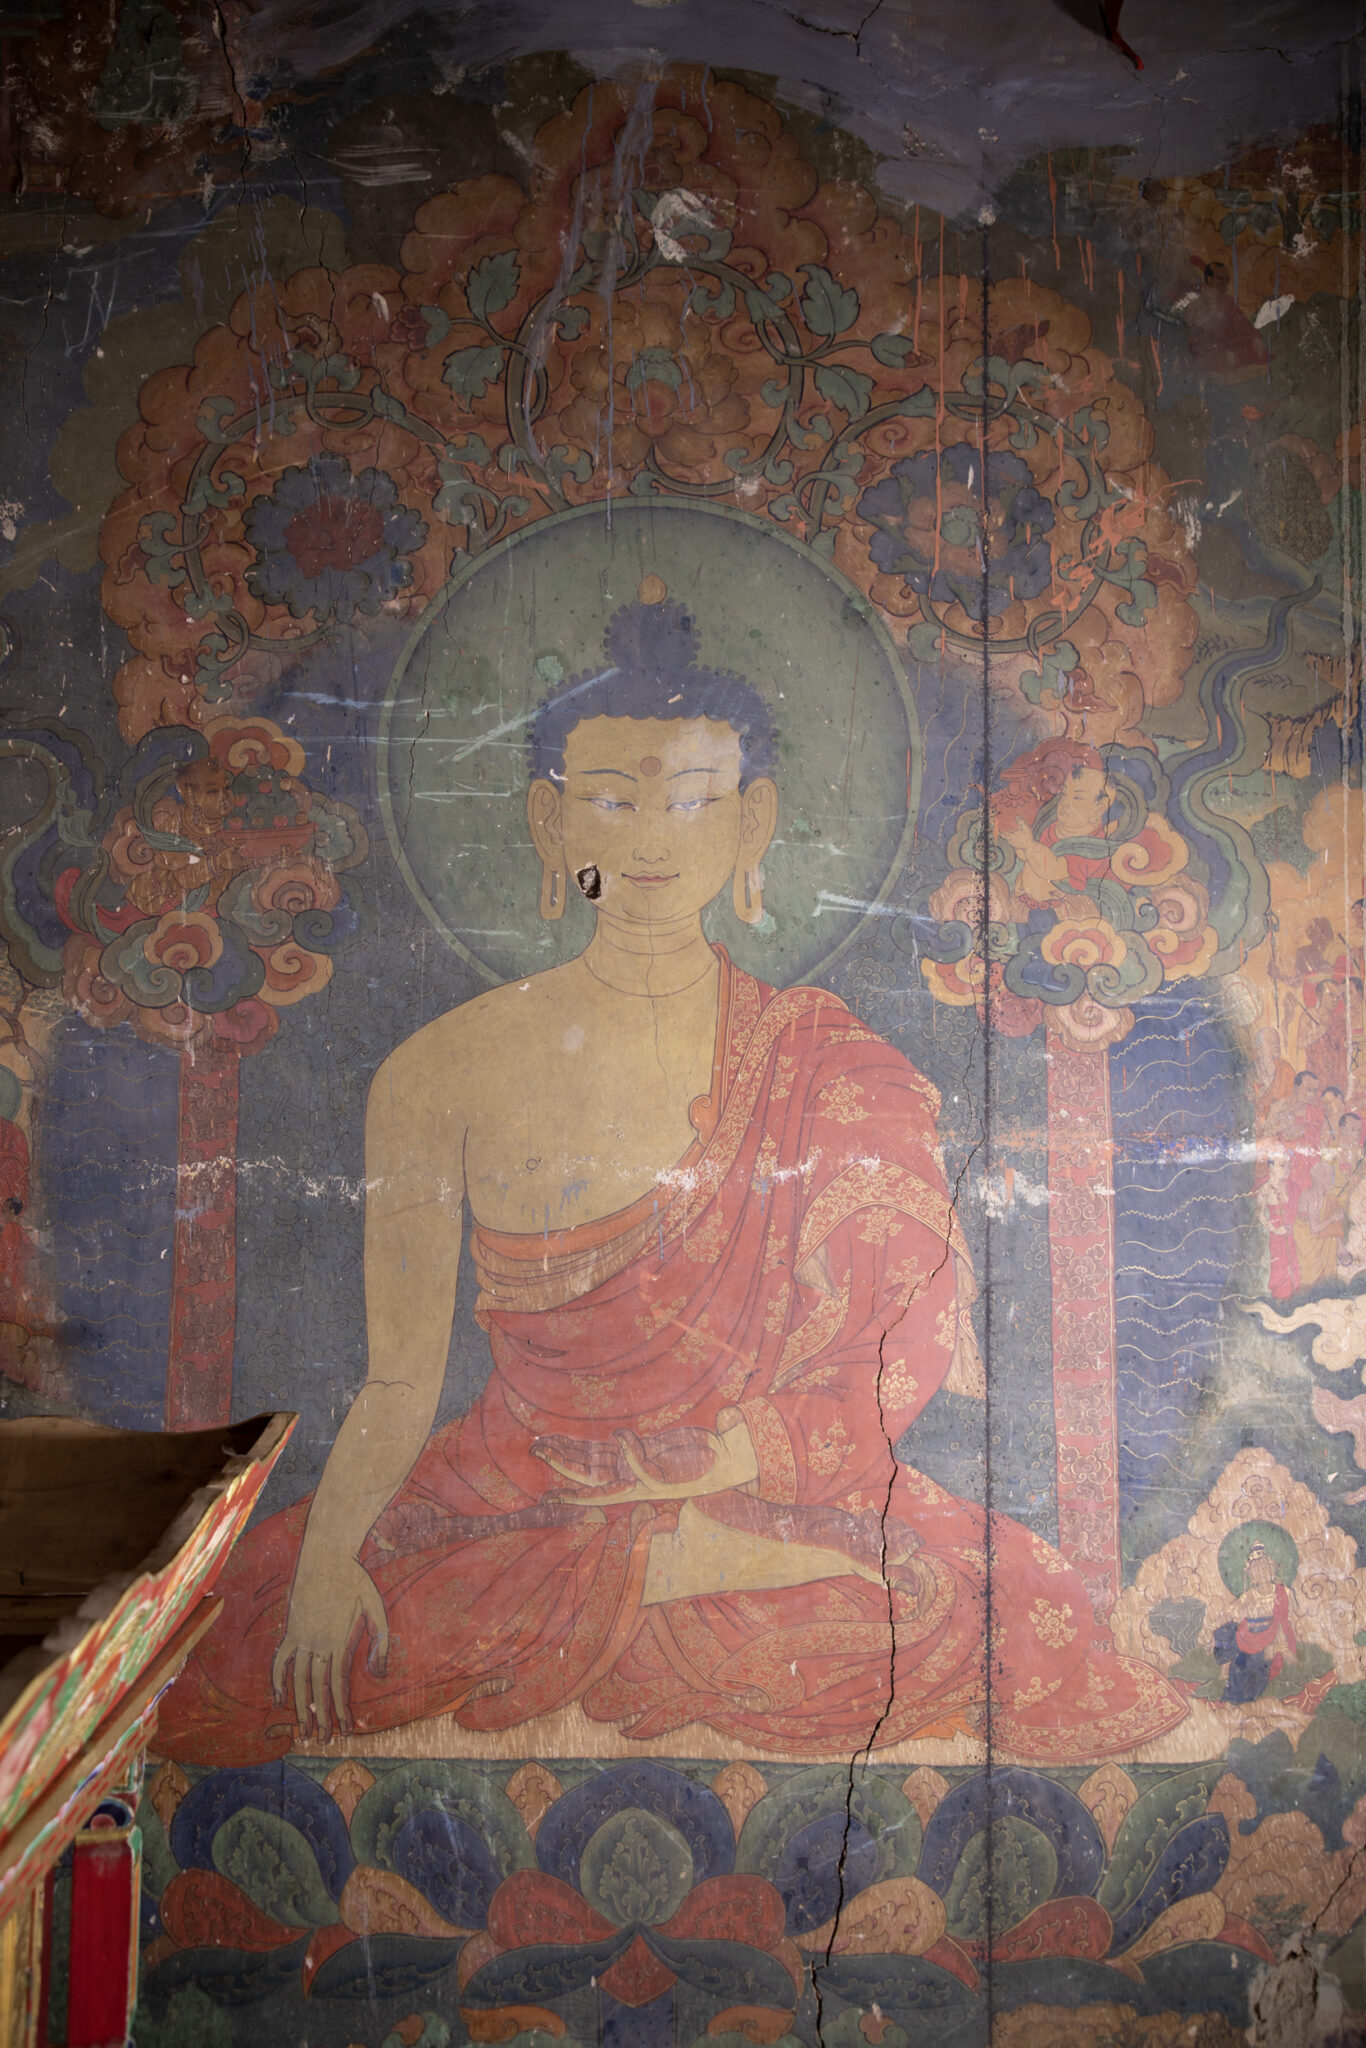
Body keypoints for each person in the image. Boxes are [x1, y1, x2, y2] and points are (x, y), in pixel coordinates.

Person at [158, 592, 1186, 1767]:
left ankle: (678, 1558)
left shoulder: (830, 1067)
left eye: (694, 800)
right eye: (611, 797)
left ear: (754, 825)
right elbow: (400, 1378)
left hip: (763, 1491)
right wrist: (335, 1554)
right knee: (265, 1635)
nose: (650, 838)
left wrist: (725, 1459)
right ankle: (652, 1564)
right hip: (521, 1498)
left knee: (962, 1617)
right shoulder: (439, 1070)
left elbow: (888, 1353)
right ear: (549, 823)